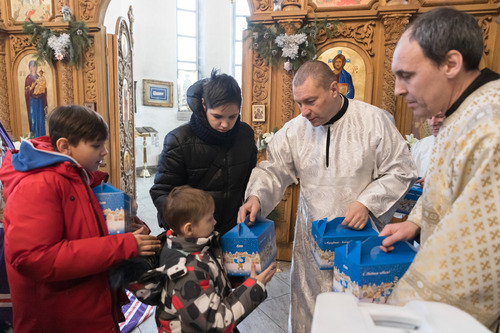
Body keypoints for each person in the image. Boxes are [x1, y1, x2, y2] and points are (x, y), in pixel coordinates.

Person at [238, 60, 417, 332]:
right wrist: (256, 197)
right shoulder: (296, 129)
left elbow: (401, 171)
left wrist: (366, 203)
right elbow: (273, 170)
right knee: (311, 308)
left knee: (356, 313)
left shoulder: (373, 121)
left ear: (334, 88)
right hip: (312, 242)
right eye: (299, 103)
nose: (304, 111)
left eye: (310, 101)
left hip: (360, 242)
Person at [381, 7, 500, 329]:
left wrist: (394, 316)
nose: (398, 90)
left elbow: (470, 263)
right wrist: (416, 222)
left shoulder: (490, 127)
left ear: (451, 64)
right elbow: (450, 189)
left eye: (407, 75)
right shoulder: (462, 113)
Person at [0, 105, 161, 332]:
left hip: (88, 303)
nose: (104, 152)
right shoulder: (38, 185)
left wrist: (129, 227)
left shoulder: (76, 174)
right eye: (96, 145)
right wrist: (122, 245)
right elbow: (34, 258)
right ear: (65, 146)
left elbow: (88, 226)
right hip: (60, 316)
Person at [123, 185, 276, 332]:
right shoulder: (186, 273)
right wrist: (253, 289)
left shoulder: (196, 246)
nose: (215, 222)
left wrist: (240, 276)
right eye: (209, 219)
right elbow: (215, 322)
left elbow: (212, 276)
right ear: (189, 229)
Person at [151, 69, 257, 235]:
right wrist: (185, 225)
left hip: (233, 228)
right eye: (217, 116)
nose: (225, 124)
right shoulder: (178, 140)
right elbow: (163, 191)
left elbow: (251, 179)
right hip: (194, 233)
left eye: (232, 117)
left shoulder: (245, 135)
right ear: (204, 104)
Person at [410, 112, 445, 186]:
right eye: (429, 117)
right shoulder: (421, 145)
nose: (432, 123)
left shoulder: (465, 145)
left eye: (439, 116)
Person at [24, 60, 48, 137]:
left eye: (35, 66)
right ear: (30, 68)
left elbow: (44, 88)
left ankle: (42, 136)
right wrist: (33, 86)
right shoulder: (28, 78)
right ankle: (34, 136)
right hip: (32, 101)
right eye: (32, 66)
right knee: (33, 119)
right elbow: (27, 91)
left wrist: (43, 88)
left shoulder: (39, 77)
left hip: (40, 101)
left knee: (40, 119)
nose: (34, 68)